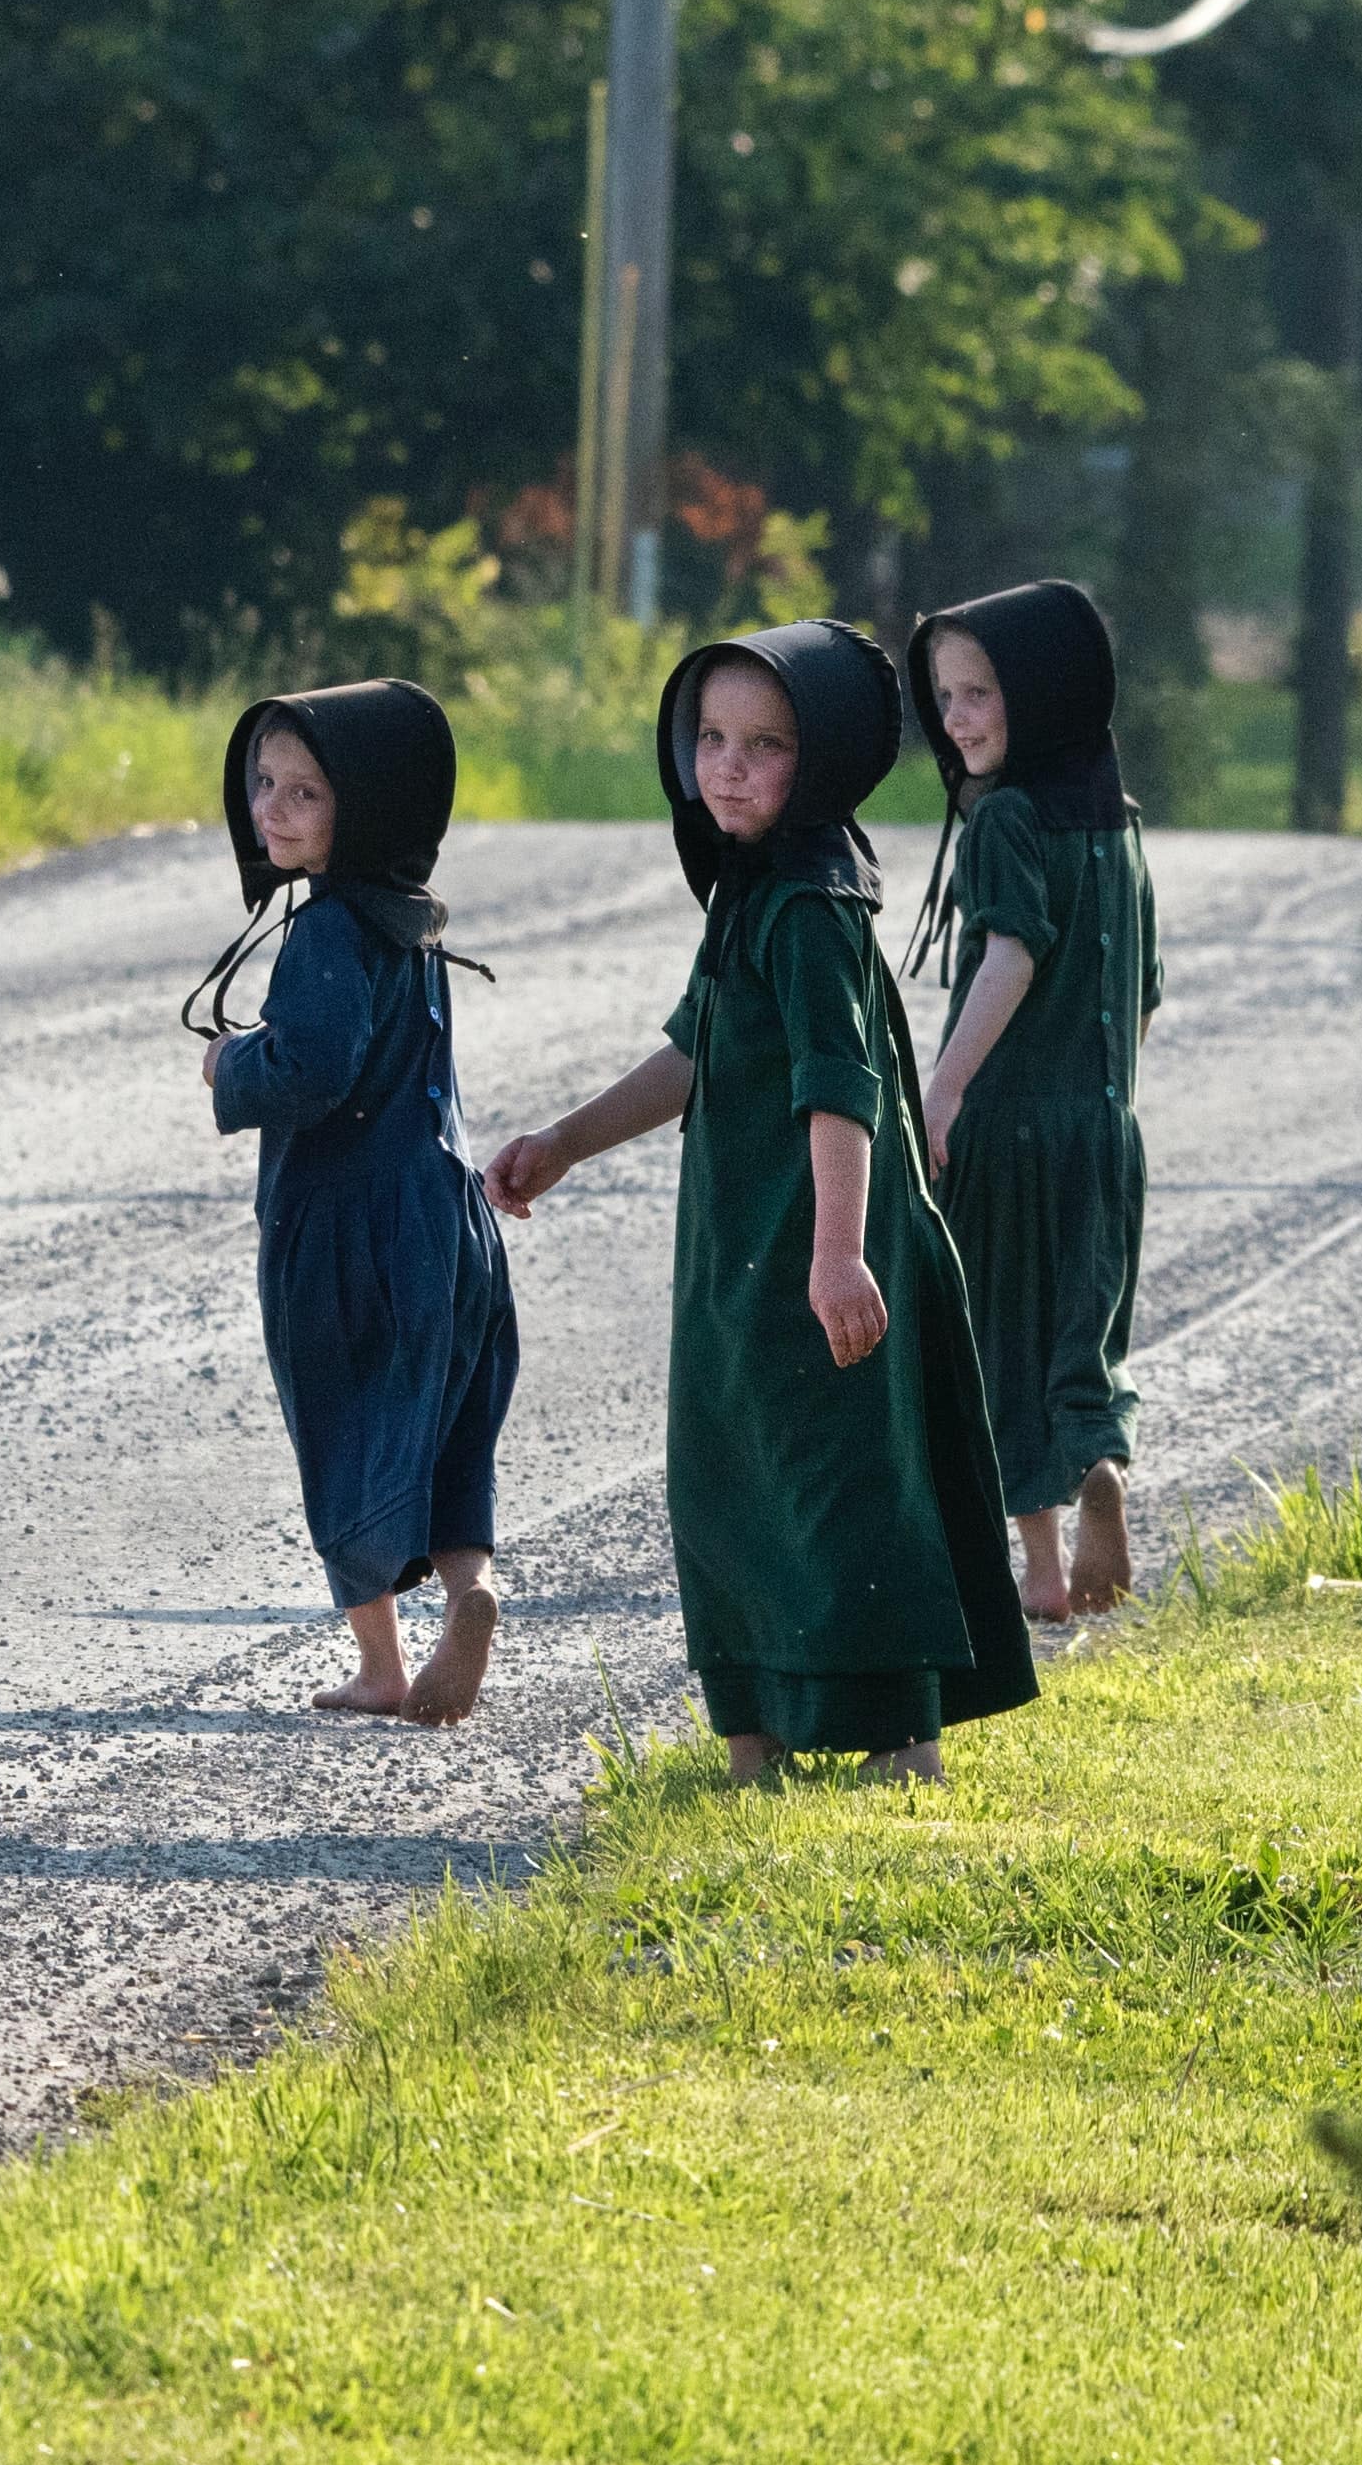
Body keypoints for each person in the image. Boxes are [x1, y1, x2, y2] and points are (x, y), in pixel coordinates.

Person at [482, 620, 1036, 1784]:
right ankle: (757, 1739)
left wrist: (837, 1256)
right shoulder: (751, 890)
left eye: (765, 743)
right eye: (711, 737)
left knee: (845, 1483)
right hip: (741, 1251)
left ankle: (902, 1742)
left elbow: (843, 1091)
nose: (727, 764)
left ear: (822, 760)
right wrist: (566, 1141)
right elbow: (695, 1049)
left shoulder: (813, 910)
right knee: (727, 1476)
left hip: (818, 1245)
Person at [197, 677, 520, 1724]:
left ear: (364, 807)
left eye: (304, 792)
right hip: (449, 1215)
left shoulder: (327, 932)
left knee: (340, 1421)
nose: (271, 809)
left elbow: (313, 1070)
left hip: (345, 1230)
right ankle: (472, 1590)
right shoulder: (413, 922)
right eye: (262, 783)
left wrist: (232, 1068)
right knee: (447, 1424)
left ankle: (381, 1663)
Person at [903, 579, 1162, 1623]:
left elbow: (1010, 950)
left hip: (1005, 1122)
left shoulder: (1005, 819)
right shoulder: (1119, 829)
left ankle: (1042, 1569)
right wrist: (1101, 1097)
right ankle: (1098, 1458)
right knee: (1082, 1330)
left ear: (1044, 695)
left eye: (978, 693)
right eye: (945, 697)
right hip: (1106, 1125)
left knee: (994, 1339)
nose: (957, 717)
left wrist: (944, 1087)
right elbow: (1141, 992)